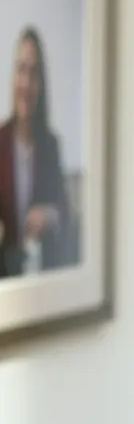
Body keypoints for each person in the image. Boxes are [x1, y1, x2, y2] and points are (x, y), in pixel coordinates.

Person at [0, 26, 70, 277]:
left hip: (41, 278)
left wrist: (50, 216)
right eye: (21, 70)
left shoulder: (51, 146)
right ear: (13, 77)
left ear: (41, 85)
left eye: (34, 73)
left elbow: (65, 214)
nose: (27, 84)